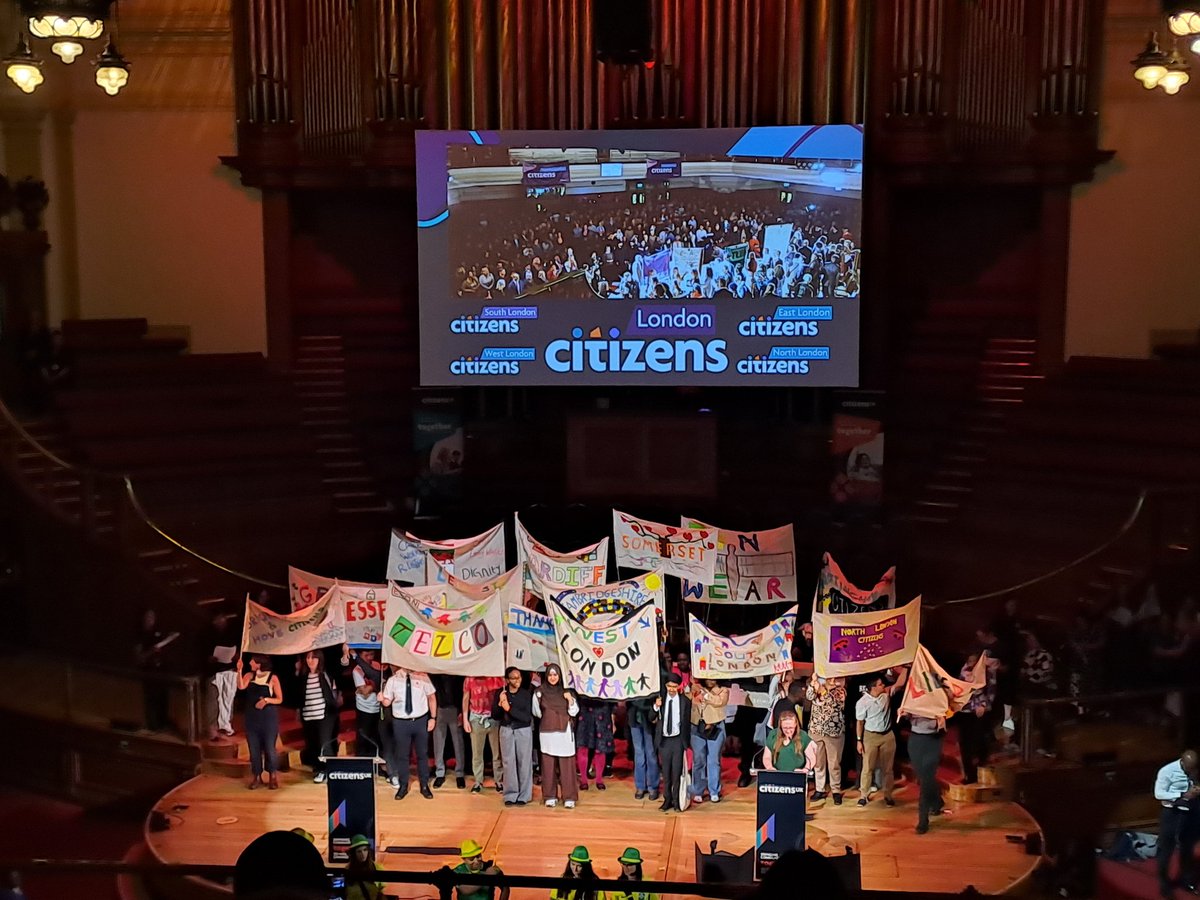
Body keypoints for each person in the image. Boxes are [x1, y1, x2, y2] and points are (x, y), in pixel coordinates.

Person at [380, 665, 437, 799]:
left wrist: (433, 718)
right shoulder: (393, 680)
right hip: (401, 722)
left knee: (422, 754)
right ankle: (403, 786)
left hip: (420, 720)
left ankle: (424, 785)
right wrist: (382, 699)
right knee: (402, 755)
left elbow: (432, 697)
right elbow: (387, 702)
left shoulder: (422, 676)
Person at [855, 669, 907, 807]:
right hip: (870, 736)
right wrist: (859, 740)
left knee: (888, 769)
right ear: (872, 688)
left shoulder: (886, 694)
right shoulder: (862, 702)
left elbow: (900, 683)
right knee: (867, 768)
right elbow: (859, 722)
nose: (883, 686)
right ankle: (863, 795)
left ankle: (888, 795)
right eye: (880, 684)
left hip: (887, 735)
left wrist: (906, 668)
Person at [1154, 749, 1200, 899]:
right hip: (1172, 813)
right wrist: (1182, 795)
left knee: (1187, 847)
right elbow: (1159, 793)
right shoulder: (1167, 771)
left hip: (1191, 812)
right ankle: (1164, 883)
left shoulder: (1195, 770)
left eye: (1193, 768)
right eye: (1188, 768)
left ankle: (1186, 880)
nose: (1191, 771)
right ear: (1182, 761)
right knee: (1166, 849)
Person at [533, 663, 580, 808]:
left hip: (564, 734)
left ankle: (569, 797)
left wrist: (570, 700)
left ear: (559, 676)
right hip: (547, 734)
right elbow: (536, 712)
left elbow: (574, 712)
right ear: (546, 676)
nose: (553, 678)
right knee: (548, 766)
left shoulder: (567, 692)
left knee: (567, 766)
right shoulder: (539, 692)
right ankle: (550, 796)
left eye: (555, 675)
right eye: (550, 675)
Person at [342, 646, 391, 780]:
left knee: (377, 739)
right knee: (364, 739)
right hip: (364, 709)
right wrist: (376, 685)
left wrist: (373, 685)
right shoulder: (357, 670)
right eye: (366, 655)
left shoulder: (376, 665)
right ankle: (363, 768)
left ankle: (378, 767)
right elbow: (364, 691)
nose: (370, 658)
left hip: (378, 708)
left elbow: (382, 683)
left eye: (372, 654)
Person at [238, 654, 282, 790]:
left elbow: (279, 698)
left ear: (259, 663)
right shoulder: (250, 676)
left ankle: (272, 775)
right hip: (252, 718)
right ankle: (256, 776)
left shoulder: (272, 678)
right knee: (254, 748)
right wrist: (239, 670)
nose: (250, 662)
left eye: (253, 660)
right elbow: (241, 686)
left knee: (269, 748)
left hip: (268, 718)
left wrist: (266, 701)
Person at [298, 650, 339, 783]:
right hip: (309, 716)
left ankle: (330, 770)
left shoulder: (324, 675)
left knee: (324, 743)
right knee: (313, 745)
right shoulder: (303, 676)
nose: (310, 661)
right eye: (308, 658)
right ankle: (319, 769)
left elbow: (331, 695)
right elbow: (300, 696)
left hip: (324, 716)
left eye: (313, 658)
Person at [495, 666, 534, 806]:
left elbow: (526, 717)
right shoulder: (501, 693)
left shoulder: (526, 694)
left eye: (519, 677)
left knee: (524, 762)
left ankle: (524, 794)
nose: (517, 680)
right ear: (507, 680)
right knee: (508, 762)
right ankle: (510, 794)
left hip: (522, 730)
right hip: (506, 730)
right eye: (513, 678)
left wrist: (509, 708)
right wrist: (500, 704)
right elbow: (495, 715)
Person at [806, 675, 847, 804]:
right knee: (818, 763)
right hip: (816, 731)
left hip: (833, 733)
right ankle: (820, 789)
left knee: (834, 763)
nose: (832, 681)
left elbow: (833, 703)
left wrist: (822, 690)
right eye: (830, 678)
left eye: (835, 679)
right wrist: (813, 684)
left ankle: (836, 790)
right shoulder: (818, 687)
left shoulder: (840, 691)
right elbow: (809, 696)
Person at [689, 678, 730, 803]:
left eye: (713, 678)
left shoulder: (723, 690)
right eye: (708, 678)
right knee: (699, 760)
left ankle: (714, 790)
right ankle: (698, 790)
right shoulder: (695, 687)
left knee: (713, 760)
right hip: (697, 726)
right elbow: (689, 698)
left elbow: (719, 702)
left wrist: (705, 694)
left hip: (715, 727)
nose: (710, 681)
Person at [463, 673, 506, 793]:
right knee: (477, 753)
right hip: (476, 718)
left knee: (497, 753)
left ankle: (499, 780)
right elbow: (466, 698)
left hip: (493, 718)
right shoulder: (470, 678)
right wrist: (465, 719)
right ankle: (478, 781)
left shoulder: (496, 677)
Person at [656, 672, 692, 812]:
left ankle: (677, 802)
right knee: (666, 773)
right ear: (666, 686)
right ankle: (667, 800)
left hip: (677, 741)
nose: (671, 689)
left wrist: (686, 744)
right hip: (664, 741)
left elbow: (687, 723)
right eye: (669, 686)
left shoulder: (685, 702)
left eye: (674, 686)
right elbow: (652, 716)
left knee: (677, 773)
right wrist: (656, 707)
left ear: (679, 686)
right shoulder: (661, 700)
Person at [957, 653, 995, 784]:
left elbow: (991, 691)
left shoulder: (987, 672)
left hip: (979, 711)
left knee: (979, 740)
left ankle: (981, 764)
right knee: (965, 743)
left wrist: (984, 705)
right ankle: (969, 774)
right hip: (965, 710)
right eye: (970, 660)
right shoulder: (964, 671)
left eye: (974, 661)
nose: (972, 663)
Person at [906, 714, 946, 834]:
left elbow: (949, 710)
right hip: (916, 739)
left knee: (926, 779)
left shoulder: (940, 695)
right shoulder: (913, 695)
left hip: (933, 740)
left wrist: (944, 719)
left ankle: (923, 820)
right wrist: (904, 713)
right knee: (922, 776)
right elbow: (908, 711)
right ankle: (937, 800)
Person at [134, 608, 171, 732]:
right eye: (148, 618)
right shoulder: (140, 635)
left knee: (162, 697)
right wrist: (151, 651)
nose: (150, 620)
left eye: (152, 618)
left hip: (160, 670)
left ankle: (162, 723)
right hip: (148, 671)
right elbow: (139, 657)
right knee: (151, 699)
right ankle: (152, 725)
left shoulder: (158, 632)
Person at [205, 610, 239, 740]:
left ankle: (226, 724)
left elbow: (236, 651)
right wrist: (211, 658)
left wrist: (235, 656)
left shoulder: (231, 634)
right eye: (219, 620)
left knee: (228, 699)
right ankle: (212, 728)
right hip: (214, 672)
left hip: (229, 670)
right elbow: (203, 653)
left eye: (223, 619)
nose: (221, 622)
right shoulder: (207, 635)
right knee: (213, 700)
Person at [432, 674, 467, 789]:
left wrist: (461, 711)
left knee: (458, 743)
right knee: (438, 742)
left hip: (455, 709)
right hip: (439, 708)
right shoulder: (435, 674)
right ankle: (440, 773)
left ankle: (460, 773)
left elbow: (463, 693)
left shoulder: (457, 674)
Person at [576, 697, 616, 791]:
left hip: (603, 711)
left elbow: (613, 696)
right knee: (583, 746)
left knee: (601, 748)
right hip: (585, 710)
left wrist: (613, 717)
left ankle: (599, 780)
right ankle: (584, 781)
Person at [627, 693, 661, 801]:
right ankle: (640, 786)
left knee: (650, 753)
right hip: (634, 720)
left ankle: (653, 786)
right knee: (639, 753)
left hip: (648, 720)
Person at [762, 709, 815, 774]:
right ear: (780, 726)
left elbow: (811, 758)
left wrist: (806, 769)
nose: (788, 731)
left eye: (791, 728)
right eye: (785, 728)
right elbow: (767, 757)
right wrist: (769, 768)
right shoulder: (773, 734)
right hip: (777, 774)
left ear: (795, 724)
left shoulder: (803, 735)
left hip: (798, 775)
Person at [345, 834, 384, 900]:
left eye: (365, 850)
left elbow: (381, 893)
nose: (363, 854)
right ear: (354, 854)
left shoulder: (378, 868)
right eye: (359, 851)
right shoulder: (347, 870)